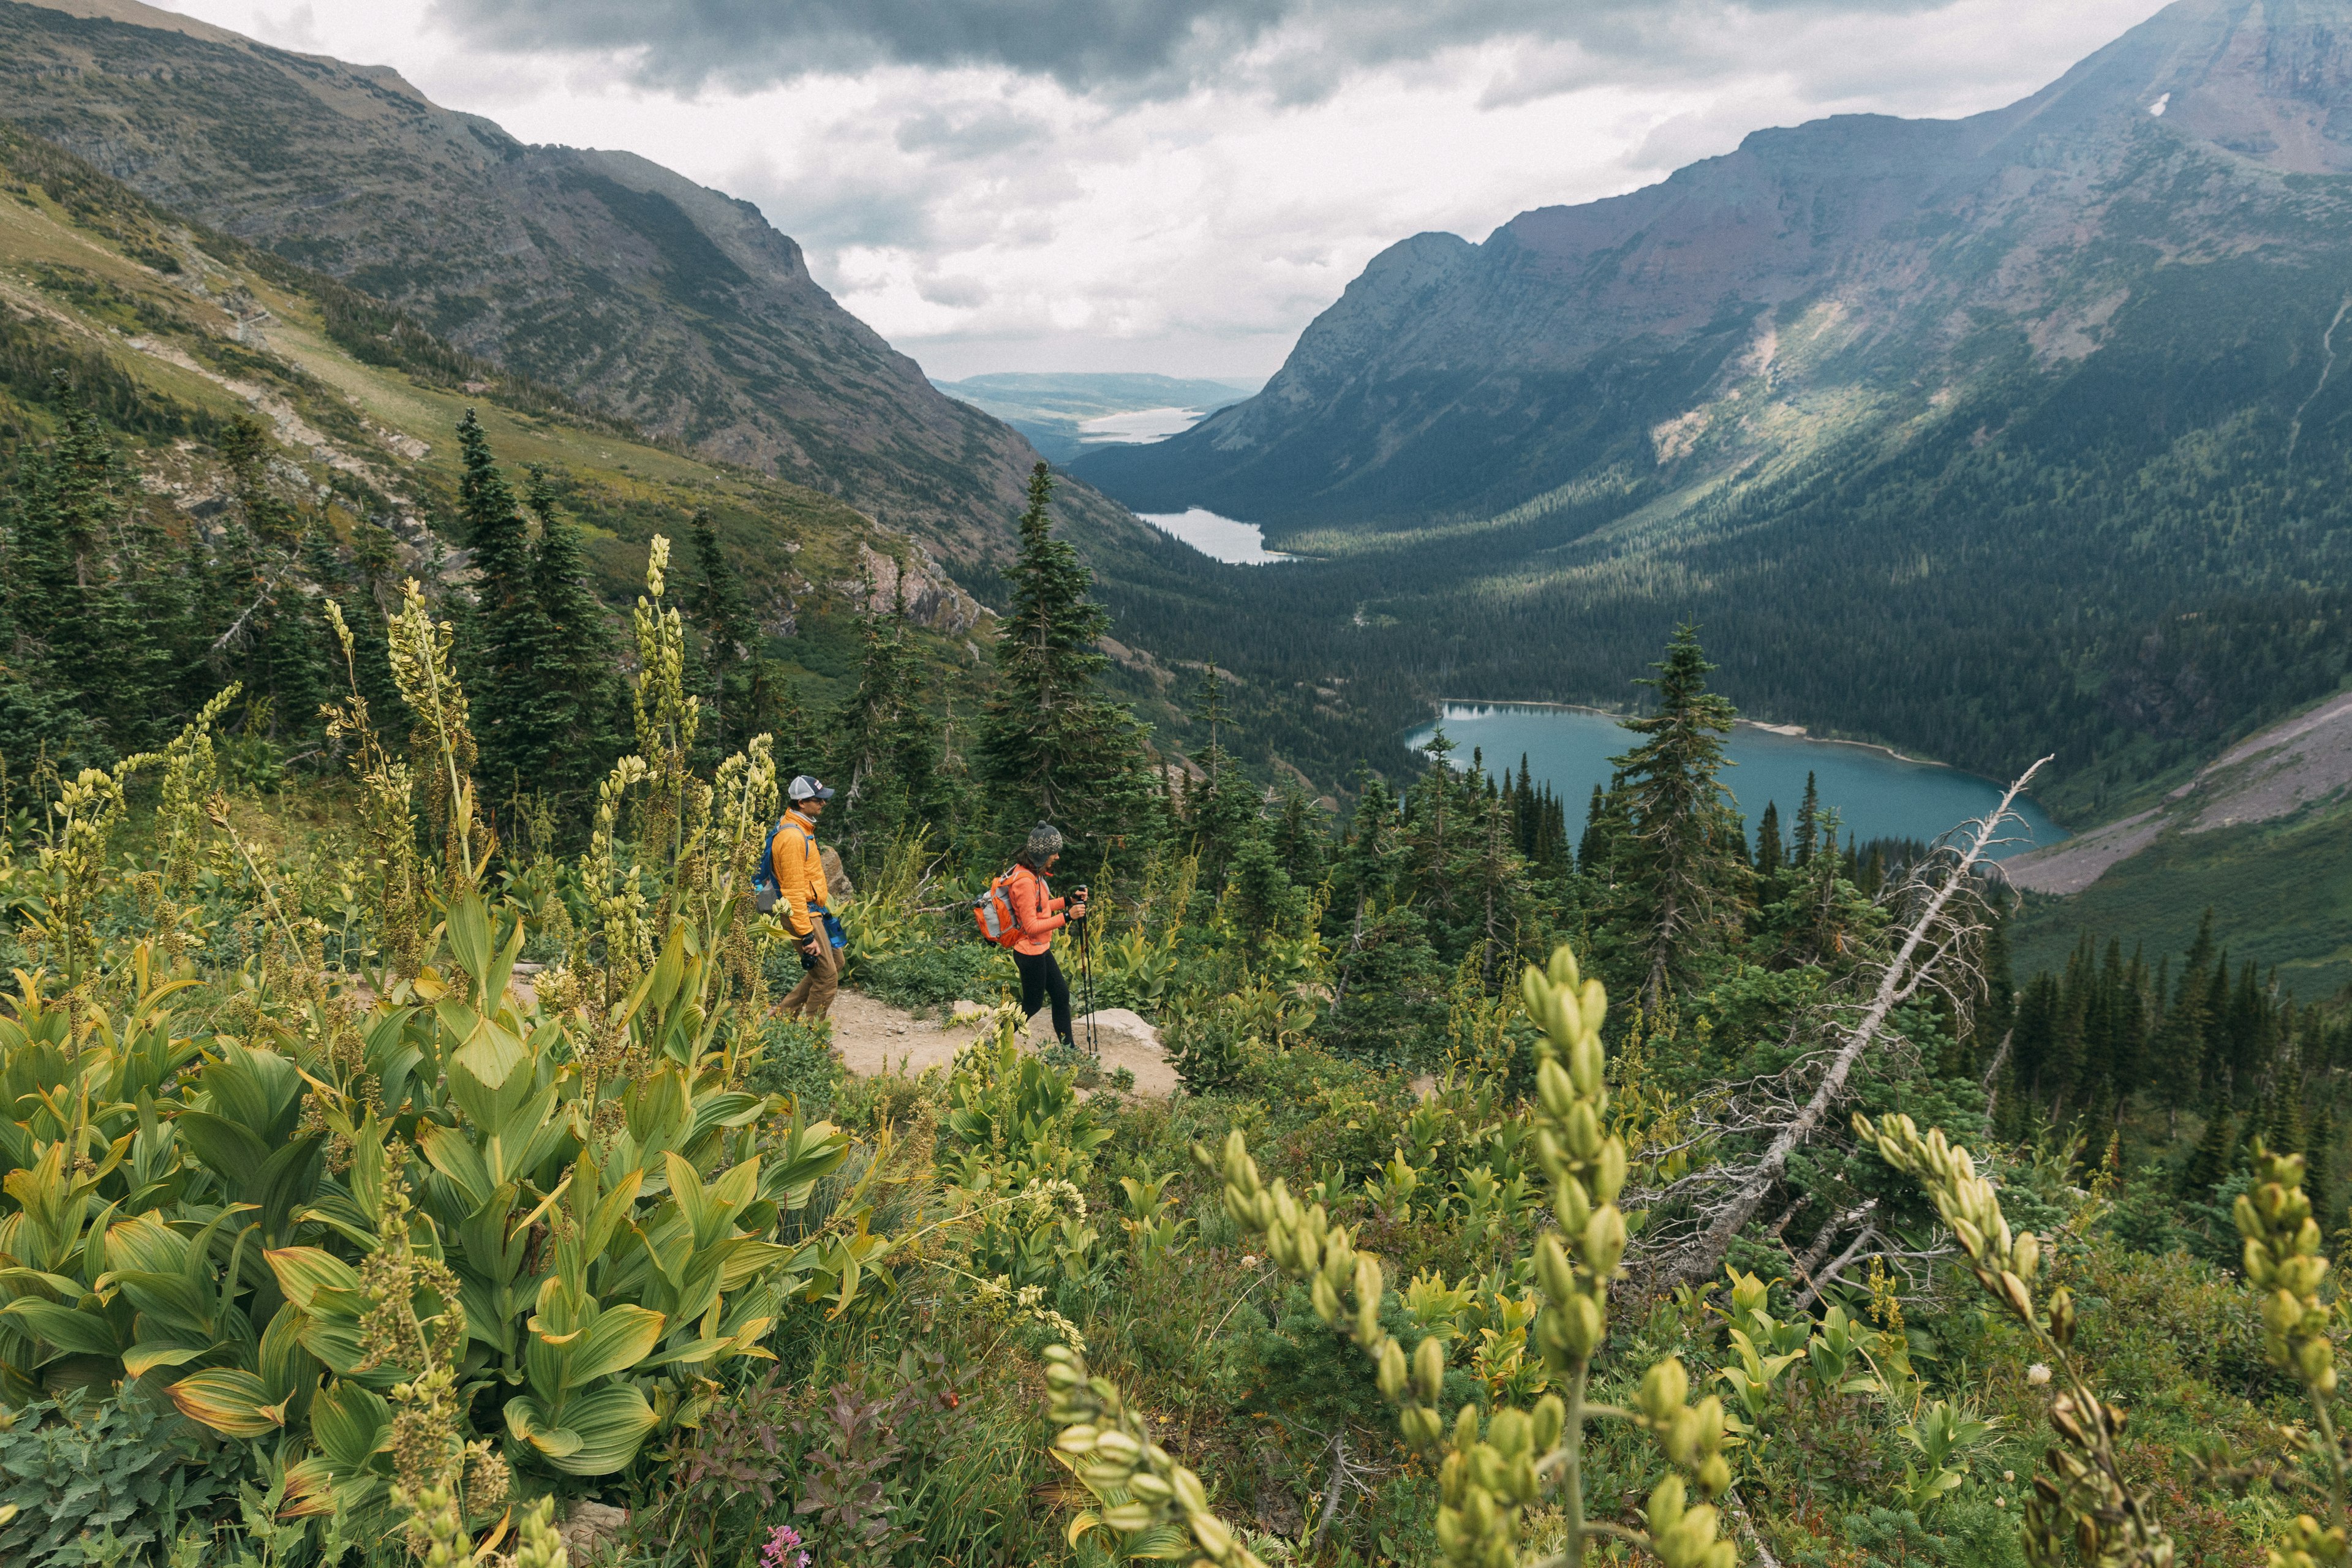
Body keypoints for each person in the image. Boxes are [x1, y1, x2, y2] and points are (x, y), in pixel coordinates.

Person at [1008, 823, 1088, 1047]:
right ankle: (998, 1036)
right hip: (1029, 952)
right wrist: (1068, 916)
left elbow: (1040, 908)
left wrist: (1067, 901)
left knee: (1062, 997)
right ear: (1042, 854)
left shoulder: (1033, 874)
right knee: (1032, 1005)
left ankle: (1069, 1051)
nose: (1057, 857)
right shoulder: (1024, 881)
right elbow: (1031, 925)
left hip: (1040, 949)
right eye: (1054, 852)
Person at [774, 775, 842, 1020]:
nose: (823, 804)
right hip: (802, 913)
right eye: (818, 800)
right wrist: (807, 935)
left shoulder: (802, 827)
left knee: (836, 960)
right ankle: (811, 1038)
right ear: (802, 803)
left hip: (813, 910)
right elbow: (792, 891)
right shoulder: (792, 837)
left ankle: (781, 1017)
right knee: (826, 978)